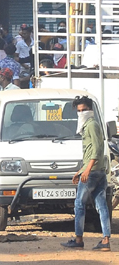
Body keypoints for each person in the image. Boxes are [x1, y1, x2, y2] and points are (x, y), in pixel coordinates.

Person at [61, 96, 111, 251]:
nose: (81, 113)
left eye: (84, 110)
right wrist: (81, 170)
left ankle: (78, 239)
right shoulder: (89, 125)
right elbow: (90, 152)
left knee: (79, 204)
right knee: (101, 205)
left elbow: (96, 150)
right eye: (79, 111)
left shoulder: (91, 125)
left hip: (93, 172)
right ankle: (105, 240)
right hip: (95, 171)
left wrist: (87, 170)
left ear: (91, 110)